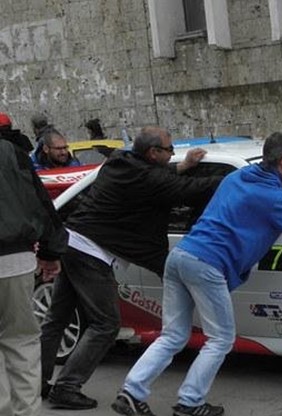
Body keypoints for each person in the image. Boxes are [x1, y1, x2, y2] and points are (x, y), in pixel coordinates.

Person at [111, 132, 282, 416]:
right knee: (220, 339)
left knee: (172, 336)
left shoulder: (237, 178)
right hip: (208, 265)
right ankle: (190, 402)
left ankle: (131, 392)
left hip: (180, 256)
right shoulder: (273, 198)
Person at [41, 126, 222, 410]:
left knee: (57, 318)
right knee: (106, 325)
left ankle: (37, 382)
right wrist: (238, 179)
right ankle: (66, 388)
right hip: (91, 252)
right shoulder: (149, 177)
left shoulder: (119, 161)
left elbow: (153, 177)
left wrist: (182, 166)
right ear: (153, 153)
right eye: (169, 150)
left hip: (73, 241)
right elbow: (186, 190)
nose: (173, 153)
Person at [0, 116, 68, 416]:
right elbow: (40, 203)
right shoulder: (14, 153)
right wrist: (51, 252)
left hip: (15, 255)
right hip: (17, 259)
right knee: (21, 340)